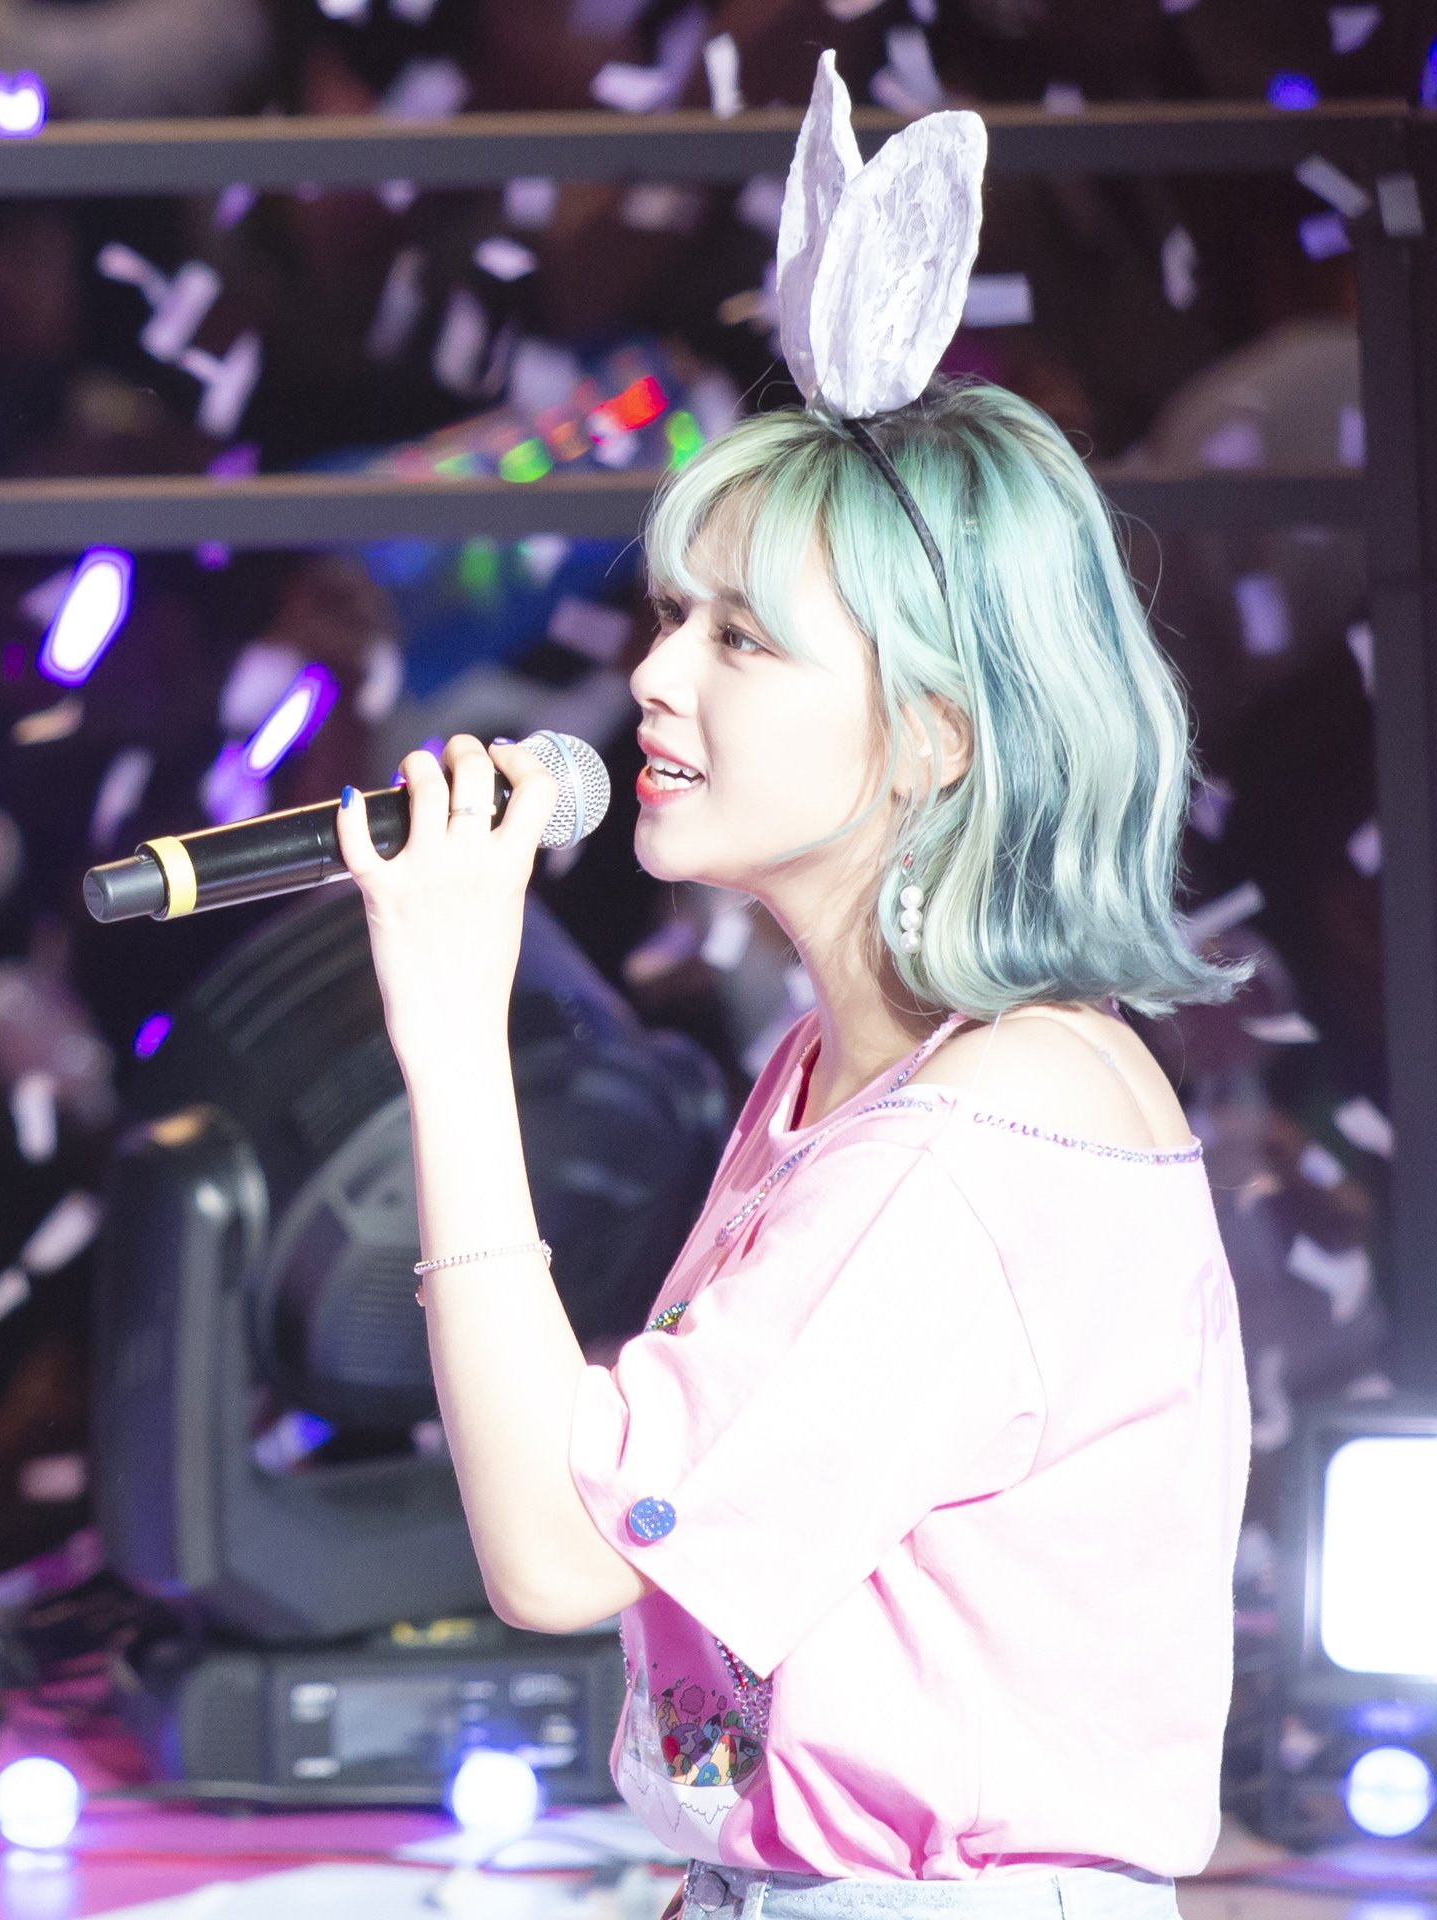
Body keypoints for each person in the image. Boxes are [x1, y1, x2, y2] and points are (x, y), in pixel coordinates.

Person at [335, 50, 1252, 1920]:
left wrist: (455, 1042)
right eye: (674, 617)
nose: (655, 680)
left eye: (741, 639)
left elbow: (560, 1549)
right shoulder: (864, 1077)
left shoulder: (986, 1140)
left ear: (933, 734)